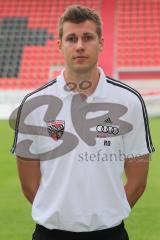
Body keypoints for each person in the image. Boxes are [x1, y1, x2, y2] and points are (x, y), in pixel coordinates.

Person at [11, 5, 155, 240]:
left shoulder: (129, 101)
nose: (79, 45)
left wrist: (107, 215)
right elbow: (28, 183)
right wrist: (58, 214)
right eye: (71, 38)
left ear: (101, 43)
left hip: (110, 234)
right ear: (60, 44)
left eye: (87, 37)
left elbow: (138, 180)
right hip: (50, 234)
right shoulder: (33, 105)